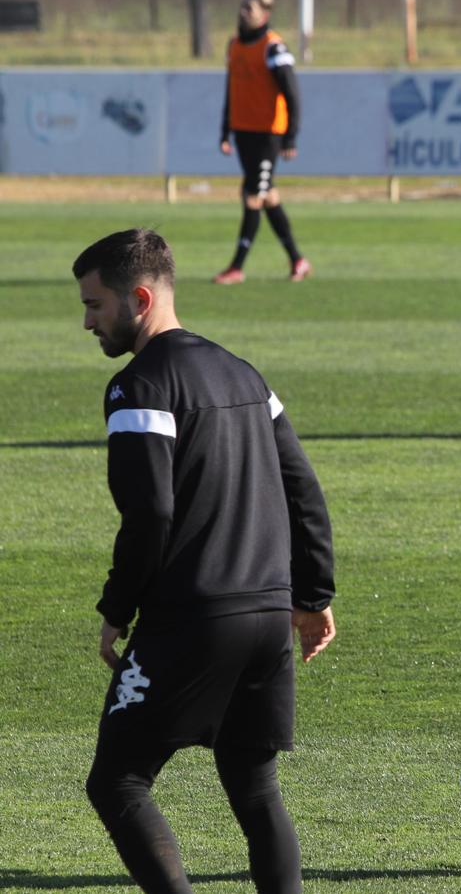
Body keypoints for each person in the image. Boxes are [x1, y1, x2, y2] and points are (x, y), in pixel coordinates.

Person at [76, 228, 336, 893]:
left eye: (96, 305)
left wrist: (116, 609)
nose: (88, 322)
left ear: (139, 297)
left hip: (195, 617)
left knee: (118, 782)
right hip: (267, 617)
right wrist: (312, 596)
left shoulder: (139, 386)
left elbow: (150, 515)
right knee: (254, 788)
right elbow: (302, 486)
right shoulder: (245, 374)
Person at [214, 0, 310, 285]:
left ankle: (236, 267)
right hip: (244, 131)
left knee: (252, 195)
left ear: (265, 14)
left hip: (269, 134)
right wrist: (225, 131)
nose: (243, 13)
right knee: (268, 195)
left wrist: (290, 136)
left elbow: (292, 94)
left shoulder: (273, 48)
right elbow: (231, 91)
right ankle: (298, 260)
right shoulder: (235, 45)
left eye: (250, 8)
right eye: (242, 7)